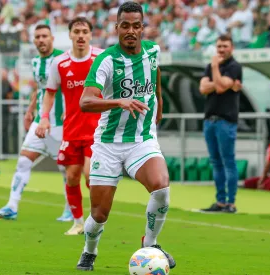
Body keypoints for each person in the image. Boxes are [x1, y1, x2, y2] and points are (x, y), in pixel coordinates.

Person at [75, 2, 176, 271]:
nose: (130, 30)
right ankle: (89, 250)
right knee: (99, 214)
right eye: (125, 25)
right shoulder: (106, 60)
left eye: (136, 25)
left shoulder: (153, 51)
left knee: (161, 187)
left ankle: (151, 243)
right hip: (108, 145)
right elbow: (85, 102)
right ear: (116, 27)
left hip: (141, 140)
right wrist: (119, 101)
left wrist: (159, 107)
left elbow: (155, 79)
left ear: (143, 27)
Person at [0, 24, 72, 222]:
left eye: (44, 36)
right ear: (34, 40)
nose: (41, 40)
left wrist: (70, 112)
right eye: (37, 36)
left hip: (60, 124)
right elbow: (41, 89)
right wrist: (30, 109)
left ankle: (71, 210)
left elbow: (72, 88)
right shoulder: (36, 62)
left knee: (66, 168)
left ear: (52, 38)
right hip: (39, 121)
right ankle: (12, 206)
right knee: (24, 161)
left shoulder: (64, 60)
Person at [35, 17, 103, 235]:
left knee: (90, 175)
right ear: (70, 35)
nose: (81, 35)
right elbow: (50, 92)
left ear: (90, 35)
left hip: (96, 129)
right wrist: (44, 117)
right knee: (72, 176)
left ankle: (95, 221)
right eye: (77, 31)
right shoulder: (60, 63)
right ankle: (78, 222)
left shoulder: (101, 58)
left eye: (85, 31)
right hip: (72, 129)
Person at [199, 35, 243, 214]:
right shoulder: (209, 66)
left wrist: (216, 68)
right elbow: (203, 88)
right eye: (219, 46)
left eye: (225, 46)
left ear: (231, 48)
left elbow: (220, 87)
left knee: (228, 162)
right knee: (216, 163)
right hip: (210, 121)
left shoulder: (234, 66)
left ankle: (230, 203)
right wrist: (218, 82)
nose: (221, 50)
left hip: (226, 121)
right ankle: (220, 201)